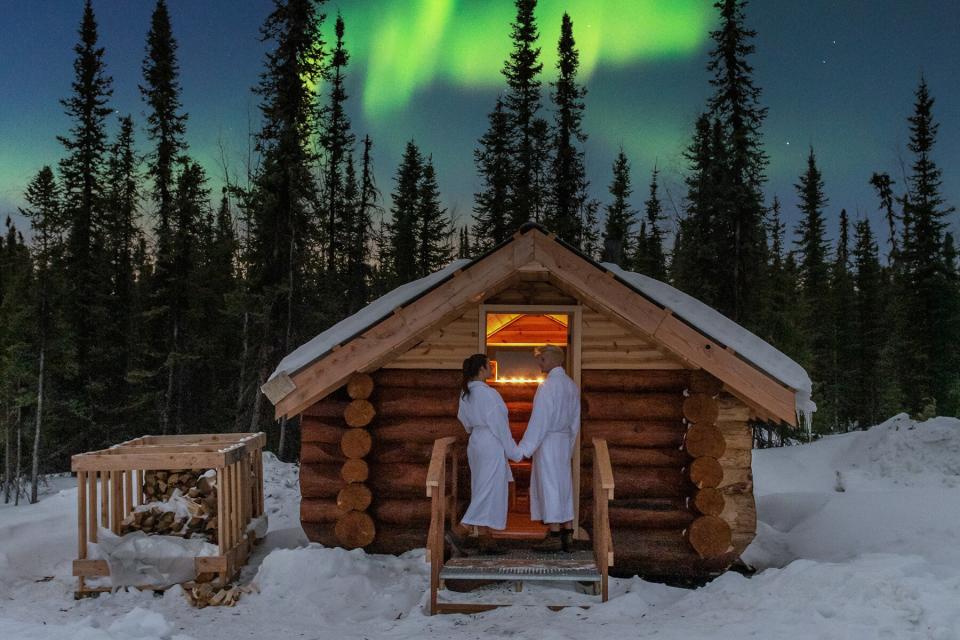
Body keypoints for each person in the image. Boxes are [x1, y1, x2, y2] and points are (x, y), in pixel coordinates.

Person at [518, 345, 581, 552]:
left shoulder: (547, 387)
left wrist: (524, 449)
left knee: (550, 484)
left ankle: (554, 533)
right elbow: (575, 421)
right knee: (564, 485)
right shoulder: (571, 386)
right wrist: (570, 446)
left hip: (548, 441)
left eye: (543, 359)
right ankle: (568, 533)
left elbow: (540, 421)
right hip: (563, 441)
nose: (539, 363)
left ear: (555, 360)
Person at [457, 353, 524, 535]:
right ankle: (460, 531)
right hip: (490, 444)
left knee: (480, 486)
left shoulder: (465, 393)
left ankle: (485, 538)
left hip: (476, 442)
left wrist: (477, 431)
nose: (492, 368)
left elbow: (464, 421)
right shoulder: (489, 394)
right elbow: (501, 427)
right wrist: (514, 452)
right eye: (490, 365)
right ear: (481, 369)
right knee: (487, 489)